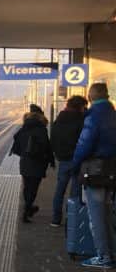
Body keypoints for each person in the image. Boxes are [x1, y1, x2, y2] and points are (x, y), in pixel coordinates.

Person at [71, 83, 116, 268]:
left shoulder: (93, 117)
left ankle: (103, 257)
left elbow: (84, 145)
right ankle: (111, 253)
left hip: (95, 171)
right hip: (112, 171)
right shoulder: (113, 114)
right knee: (107, 214)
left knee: (96, 215)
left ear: (90, 97)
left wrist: (75, 165)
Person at [49, 95, 88, 227]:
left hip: (63, 160)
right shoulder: (81, 121)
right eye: (84, 107)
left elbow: (52, 139)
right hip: (77, 160)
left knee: (59, 190)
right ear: (80, 107)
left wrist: (57, 155)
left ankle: (55, 219)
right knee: (75, 192)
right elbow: (84, 141)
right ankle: (71, 220)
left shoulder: (58, 121)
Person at [10, 104, 53, 223]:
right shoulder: (41, 129)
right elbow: (46, 146)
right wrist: (50, 160)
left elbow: (16, 139)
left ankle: (28, 207)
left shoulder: (24, 127)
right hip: (37, 162)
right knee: (33, 188)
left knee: (27, 186)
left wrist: (23, 152)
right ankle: (28, 209)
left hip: (25, 162)